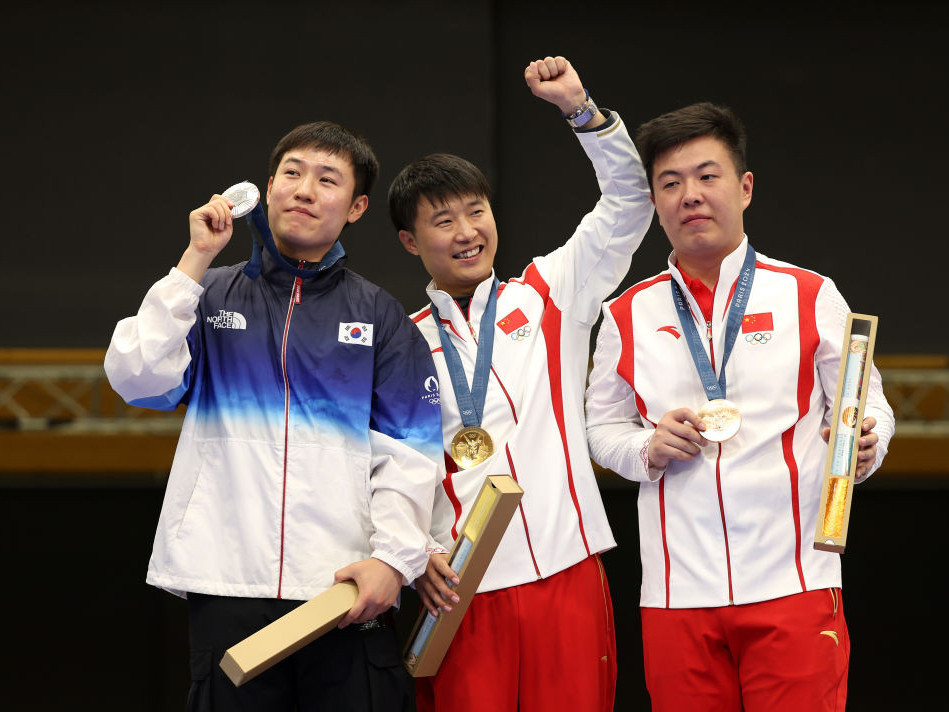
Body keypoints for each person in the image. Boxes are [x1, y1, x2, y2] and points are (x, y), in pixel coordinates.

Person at [104, 121, 443, 711]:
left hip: (343, 588)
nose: (304, 190)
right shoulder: (205, 294)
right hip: (227, 579)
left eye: (327, 179)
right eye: (292, 173)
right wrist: (195, 258)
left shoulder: (381, 315)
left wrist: (393, 560)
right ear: (268, 187)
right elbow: (137, 378)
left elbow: (410, 451)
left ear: (357, 206)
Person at [584, 101, 895, 711]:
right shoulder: (625, 314)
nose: (690, 195)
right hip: (677, 593)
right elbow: (601, 431)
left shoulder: (808, 294)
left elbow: (871, 406)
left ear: (744, 187)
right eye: (670, 183)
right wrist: (645, 448)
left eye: (707, 176)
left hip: (796, 581)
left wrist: (868, 440)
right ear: (653, 201)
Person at [388, 56, 653, 711]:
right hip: (459, 590)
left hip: (567, 572)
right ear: (408, 240)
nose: (466, 232)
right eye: (442, 220)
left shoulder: (549, 292)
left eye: (474, 211)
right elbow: (382, 465)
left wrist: (581, 110)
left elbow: (629, 201)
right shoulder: (399, 342)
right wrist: (415, 552)